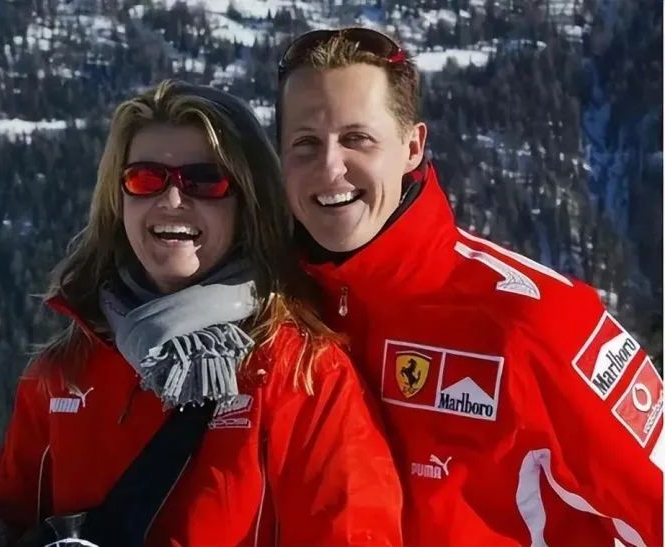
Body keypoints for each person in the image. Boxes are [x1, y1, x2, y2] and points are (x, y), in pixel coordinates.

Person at [0, 81, 403, 547]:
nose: (172, 199)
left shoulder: (301, 373)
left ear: (249, 204)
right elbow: (9, 509)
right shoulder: (66, 370)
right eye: (146, 179)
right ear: (119, 199)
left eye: (205, 181)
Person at [276, 27, 663, 546]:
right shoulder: (276, 309)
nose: (329, 167)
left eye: (357, 138)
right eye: (305, 143)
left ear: (412, 146)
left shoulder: (536, 320)